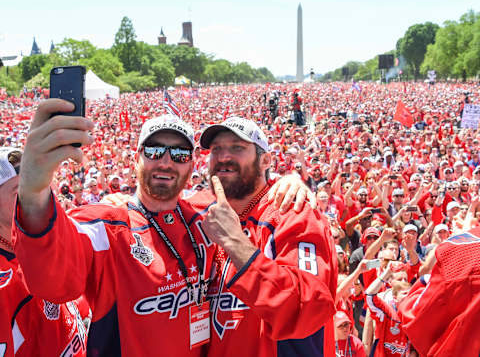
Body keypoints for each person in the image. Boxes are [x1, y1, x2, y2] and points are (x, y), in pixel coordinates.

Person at [13, 100, 313, 356]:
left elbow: (249, 202)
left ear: (192, 164)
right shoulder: (105, 227)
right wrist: (34, 193)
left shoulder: (206, 218)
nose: (167, 162)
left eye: (179, 155)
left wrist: (286, 181)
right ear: (136, 159)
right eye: (155, 151)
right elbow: (51, 280)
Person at [196, 116, 338, 356]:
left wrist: (234, 241)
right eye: (216, 149)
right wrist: (122, 203)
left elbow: (308, 305)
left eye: (237, 147)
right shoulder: (201, 210)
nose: (223, 157)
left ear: (265, 160)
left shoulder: (292, 211)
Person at [0, 147, 89, 357]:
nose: (35, 198)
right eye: (20, 191)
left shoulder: (55, 236)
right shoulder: (4, 287)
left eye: (39, 186)